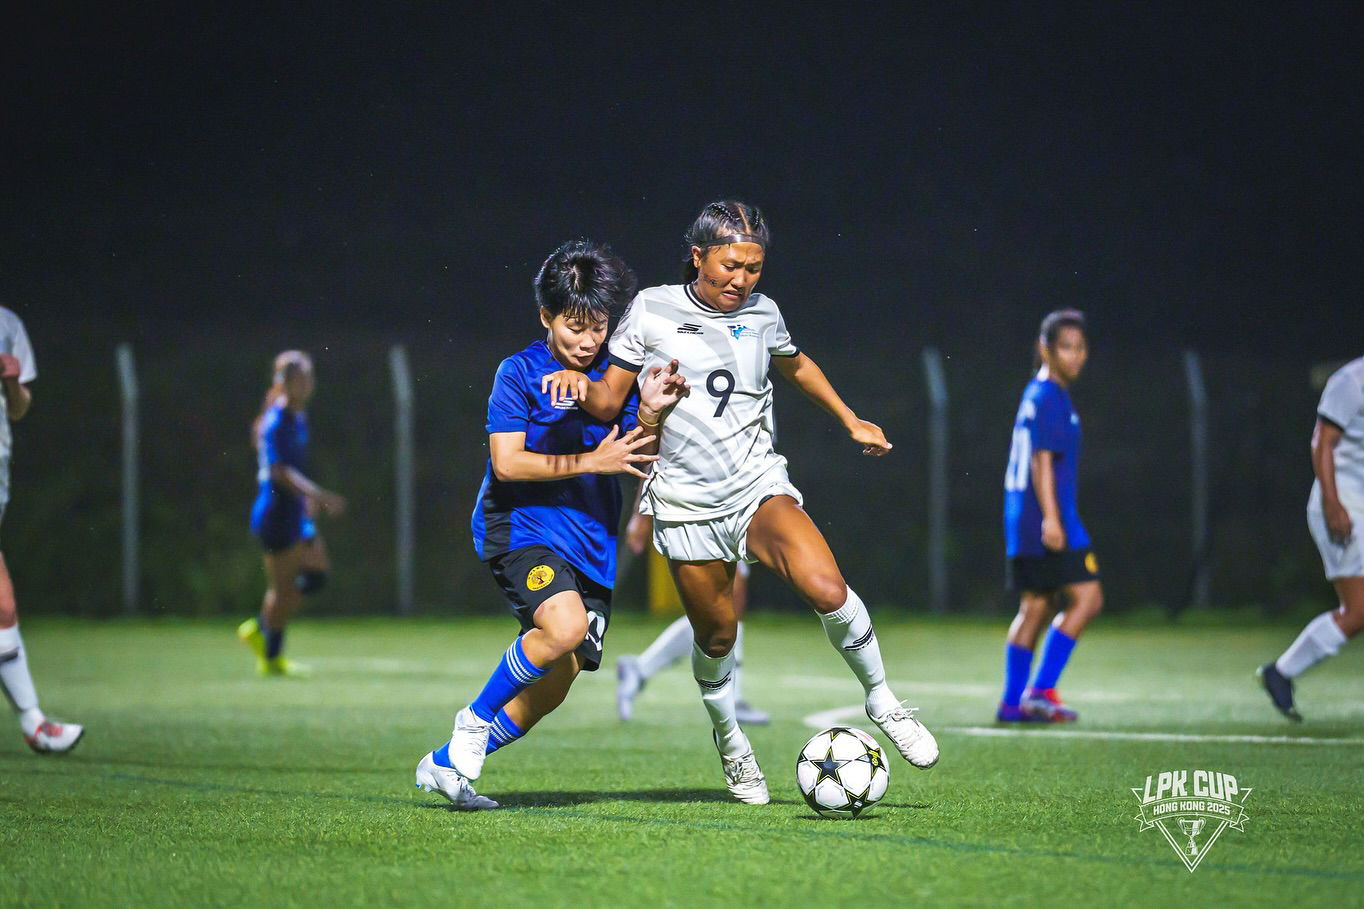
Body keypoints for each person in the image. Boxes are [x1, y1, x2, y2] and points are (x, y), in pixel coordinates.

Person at [543, 200, 938, 805]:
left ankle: (882, 699)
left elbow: (796, 365)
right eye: (730, 265)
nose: (741, 279)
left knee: (827, 588)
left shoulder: (764, 313)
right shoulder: (650, 309)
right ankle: (731, 742)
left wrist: (850, 418)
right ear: (698, 257)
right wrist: (578, 386)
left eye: (753, 268)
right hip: (684, 502)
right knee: (718, 637)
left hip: (756, 484)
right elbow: (608, 401)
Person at [415, 239, 684, 810]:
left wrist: (652, 411)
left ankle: (444, 762)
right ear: (546, 316)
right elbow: (507, 464)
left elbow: (639, 452)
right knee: (562, 629)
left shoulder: (615, 379)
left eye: (598, 328)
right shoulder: (519, 372)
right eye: (574, 327)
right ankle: (473, 721)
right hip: (520, 528)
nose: (587, 341)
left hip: (591, 543)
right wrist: (590, 461)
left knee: (561, 676)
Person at [996, 310, 1103, 723]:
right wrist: (1052, 519)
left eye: (1081, 348)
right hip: (1045, 516)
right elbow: (1041, 460)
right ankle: (1038, 691)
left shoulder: (1041, 394)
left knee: (1037, 606)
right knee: (1086, 598)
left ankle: (1014, 703)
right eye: (1066, 347)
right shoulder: (1047, 396)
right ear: (1045, 349)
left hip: (1029, 515)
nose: (1076, 356)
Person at [1259, 356, 1364, 720]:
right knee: (1358, 611)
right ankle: (1281, 671)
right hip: (1345, 505)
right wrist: (1333, 504)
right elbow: (1323, 441)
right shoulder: (1352, 380)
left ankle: (1280, 672)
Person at [0, 306, 83, 753]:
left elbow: (18, 409)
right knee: (2, 606)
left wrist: (12, 382)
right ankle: (34, 723)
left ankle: (34, 723)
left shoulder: (7, 325)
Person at [237, 351, 346, 676]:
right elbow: (279, 471)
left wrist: (306, 500)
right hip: (277, 514)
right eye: (300, 378)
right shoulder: (277, 421)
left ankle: (261, 628)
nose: (307, 384)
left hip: (295, 511)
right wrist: (317, 495)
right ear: (285, 382)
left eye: (310, 377)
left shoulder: (297, 416)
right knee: (283, 590)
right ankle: (271, 656)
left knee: (314, 576)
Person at [615, 508, 769, 725]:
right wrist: (641, 515)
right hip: (698, 507)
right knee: (725, 604)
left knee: (724, 608)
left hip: (730, 506)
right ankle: (732, 699)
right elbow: (654, 480)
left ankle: (640, 668)